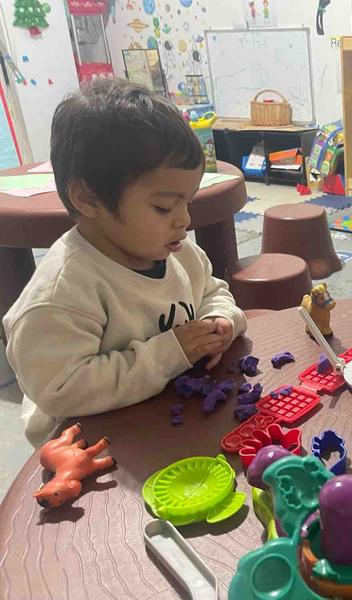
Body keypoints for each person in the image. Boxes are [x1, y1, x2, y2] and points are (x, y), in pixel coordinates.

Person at [3, 79, 247, 446]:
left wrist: (222, 321)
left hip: (170, 412)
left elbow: (214, 292)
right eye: (164, 207)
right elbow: (60, 390)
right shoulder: (61, 293)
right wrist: (171, 352)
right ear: (87, 198)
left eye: (188, 202)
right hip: (91, 445)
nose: (184, 220)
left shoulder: (178, 253)